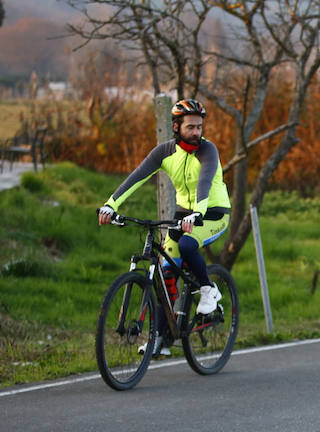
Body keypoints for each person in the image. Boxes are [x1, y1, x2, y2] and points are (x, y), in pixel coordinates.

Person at [98, 98, 231, 357]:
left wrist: (197, 213)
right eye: (190, 127)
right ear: (176, 127)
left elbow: (205, 181)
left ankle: (207, 290)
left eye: (199, 127)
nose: (196, 132)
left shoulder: (208, 150)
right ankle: (161, 337)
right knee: (165, 274)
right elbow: (137, 176)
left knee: (187, 244)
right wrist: (110, 205)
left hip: (213, 213)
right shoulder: (164, 152)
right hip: (183, 214)